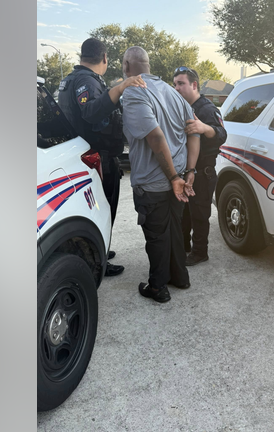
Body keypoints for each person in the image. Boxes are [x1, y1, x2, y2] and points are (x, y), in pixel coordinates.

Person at [57, 38, 146, 277]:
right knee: (102, 210)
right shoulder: (86, 80)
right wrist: (120, 88)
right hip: (97, 160)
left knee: (94, 211)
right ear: (105, 58)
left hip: (84, 156)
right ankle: (99, 262)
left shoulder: (72, 79)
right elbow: (91, 113)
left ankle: (100, 251)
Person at [120, 46, 201, 303]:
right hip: (179, 178)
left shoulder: (134, 92)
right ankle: (180, 276)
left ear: (126, 66)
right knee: (174, 229)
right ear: (148, 65)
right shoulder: (172, 92)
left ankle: (157, 287)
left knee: (156, 235)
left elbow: (155, 137)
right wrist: (189, 171)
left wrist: (175, 178)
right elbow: (194, 132)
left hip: (154, 183)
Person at [172, 66, 228, 266]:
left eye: (181, 83)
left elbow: (222, 135)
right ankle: (184, 246)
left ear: (194, 85)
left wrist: (204, 128)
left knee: (200, 215)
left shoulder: (207, 109)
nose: (177, 88)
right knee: (184, 213)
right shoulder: (182, 107)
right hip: (186, 171)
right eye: (175, 84)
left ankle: (199, 252)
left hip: (203, 173)